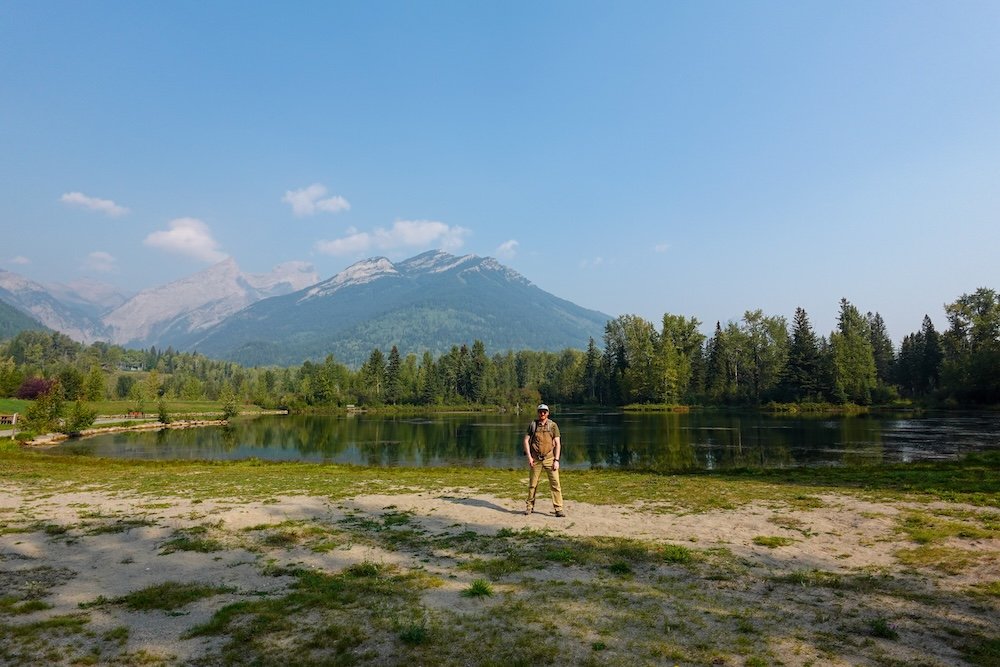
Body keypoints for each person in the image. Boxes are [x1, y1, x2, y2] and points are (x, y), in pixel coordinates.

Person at [523, 403, 565, 517]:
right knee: (533, 484)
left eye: (544, 412)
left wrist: (556, 460)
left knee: (555, 484)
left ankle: (558, 509)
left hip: (550, 459)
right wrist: (529, 457)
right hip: (535, 460)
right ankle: (529, 507)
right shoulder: (533, 425)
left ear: (548, 413)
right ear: (538, 413)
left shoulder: (553, 426)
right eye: (540, 411)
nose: (542, 413)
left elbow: (557, 444)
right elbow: (526, 440)